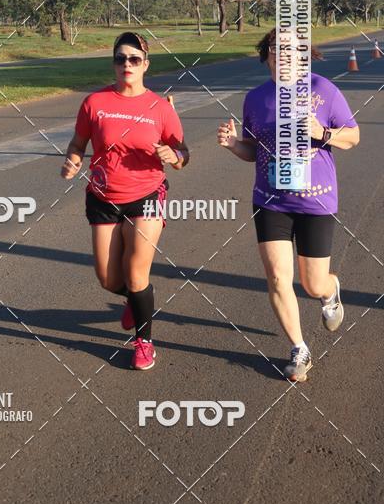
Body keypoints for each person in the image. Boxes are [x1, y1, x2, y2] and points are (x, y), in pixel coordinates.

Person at [217, 28, 360, 382]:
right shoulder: (256, 99)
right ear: (265, 54)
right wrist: (235, 146)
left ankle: (330, 291)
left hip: (316, 201)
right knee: (279, 277)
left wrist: (322, 133)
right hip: (270, 201)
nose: (284, 54)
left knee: (313, 284)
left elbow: (353, 136)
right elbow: (254, 150)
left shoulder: (323, 90)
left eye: (294, 49)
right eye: (276, 48)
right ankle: (299, 349)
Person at [61, 32, 189, 370]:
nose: (126, 65)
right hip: (103, 196)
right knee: (108, 279)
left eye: (134, 59)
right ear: (114, 64)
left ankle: (144, 341)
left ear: (146, 65)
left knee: (135, 273)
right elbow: (78, 144)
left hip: (147, 193)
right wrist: (73, 161)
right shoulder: (94, 103)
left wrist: (172, 154)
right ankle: (138, 298)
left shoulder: (160, 108)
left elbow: (183, 155)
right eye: (120, 59)